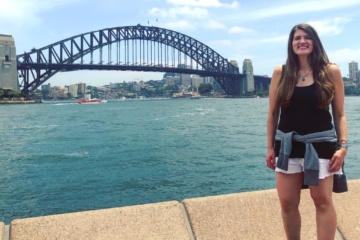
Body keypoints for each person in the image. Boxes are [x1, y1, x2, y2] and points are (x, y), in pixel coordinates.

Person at [265, 23, 348, 240]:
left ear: (315, 42)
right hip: (287, 148)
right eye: (297, 38)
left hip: (321, 146)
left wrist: (343, 147)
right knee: (287, 202)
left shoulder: (330, 71)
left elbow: (340, 114)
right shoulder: (280, 73)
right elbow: (273, 114)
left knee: (322, 201)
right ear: (291, 44)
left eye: (307, 37)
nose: (302, 41)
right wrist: (270, 148)